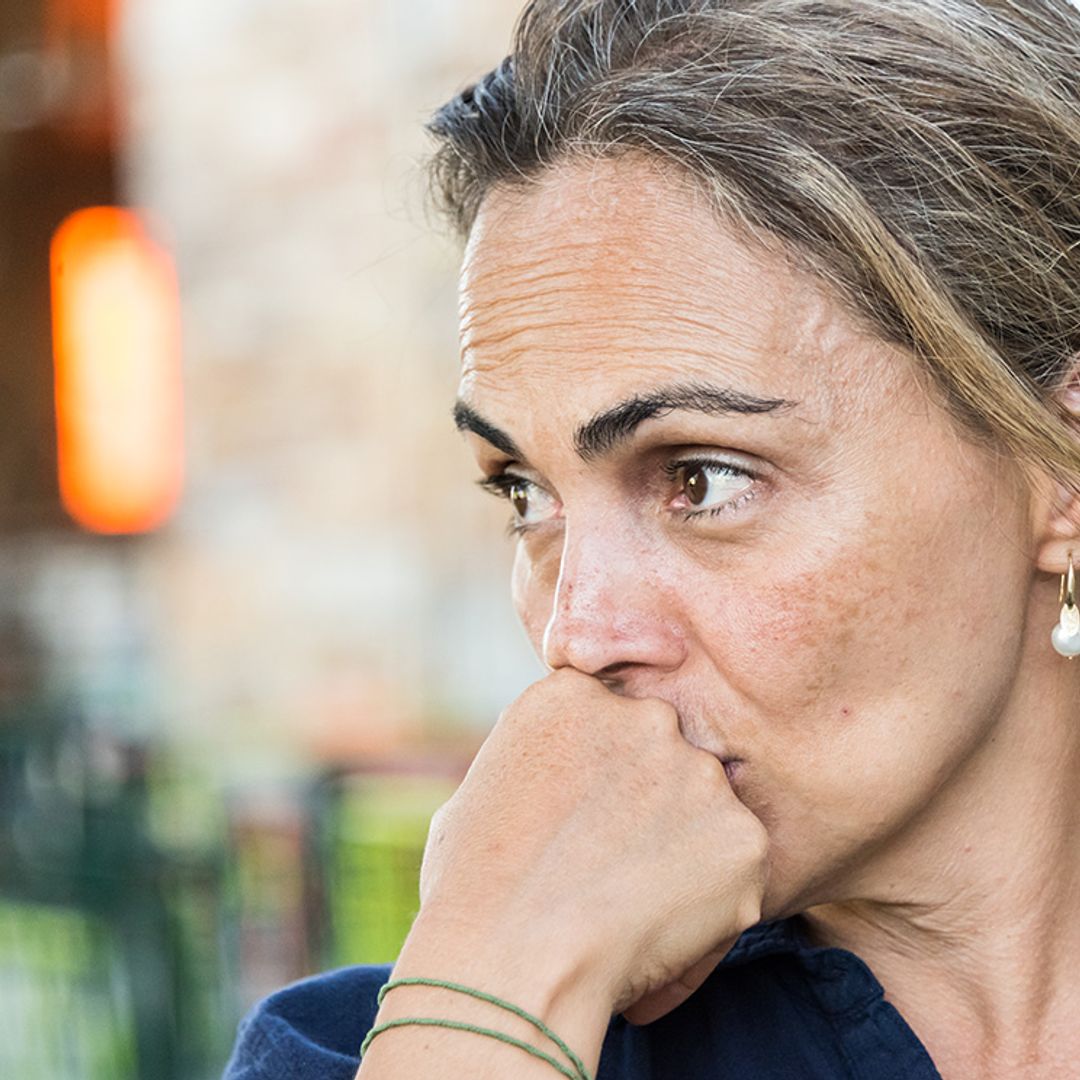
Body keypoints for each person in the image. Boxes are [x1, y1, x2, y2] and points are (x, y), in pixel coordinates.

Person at [222, 1, 1080, 1077]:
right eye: (523, 492)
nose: (574, 636)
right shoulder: (400, 1044)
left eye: (700, 478)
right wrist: (501, 978)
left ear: (1056, 464)